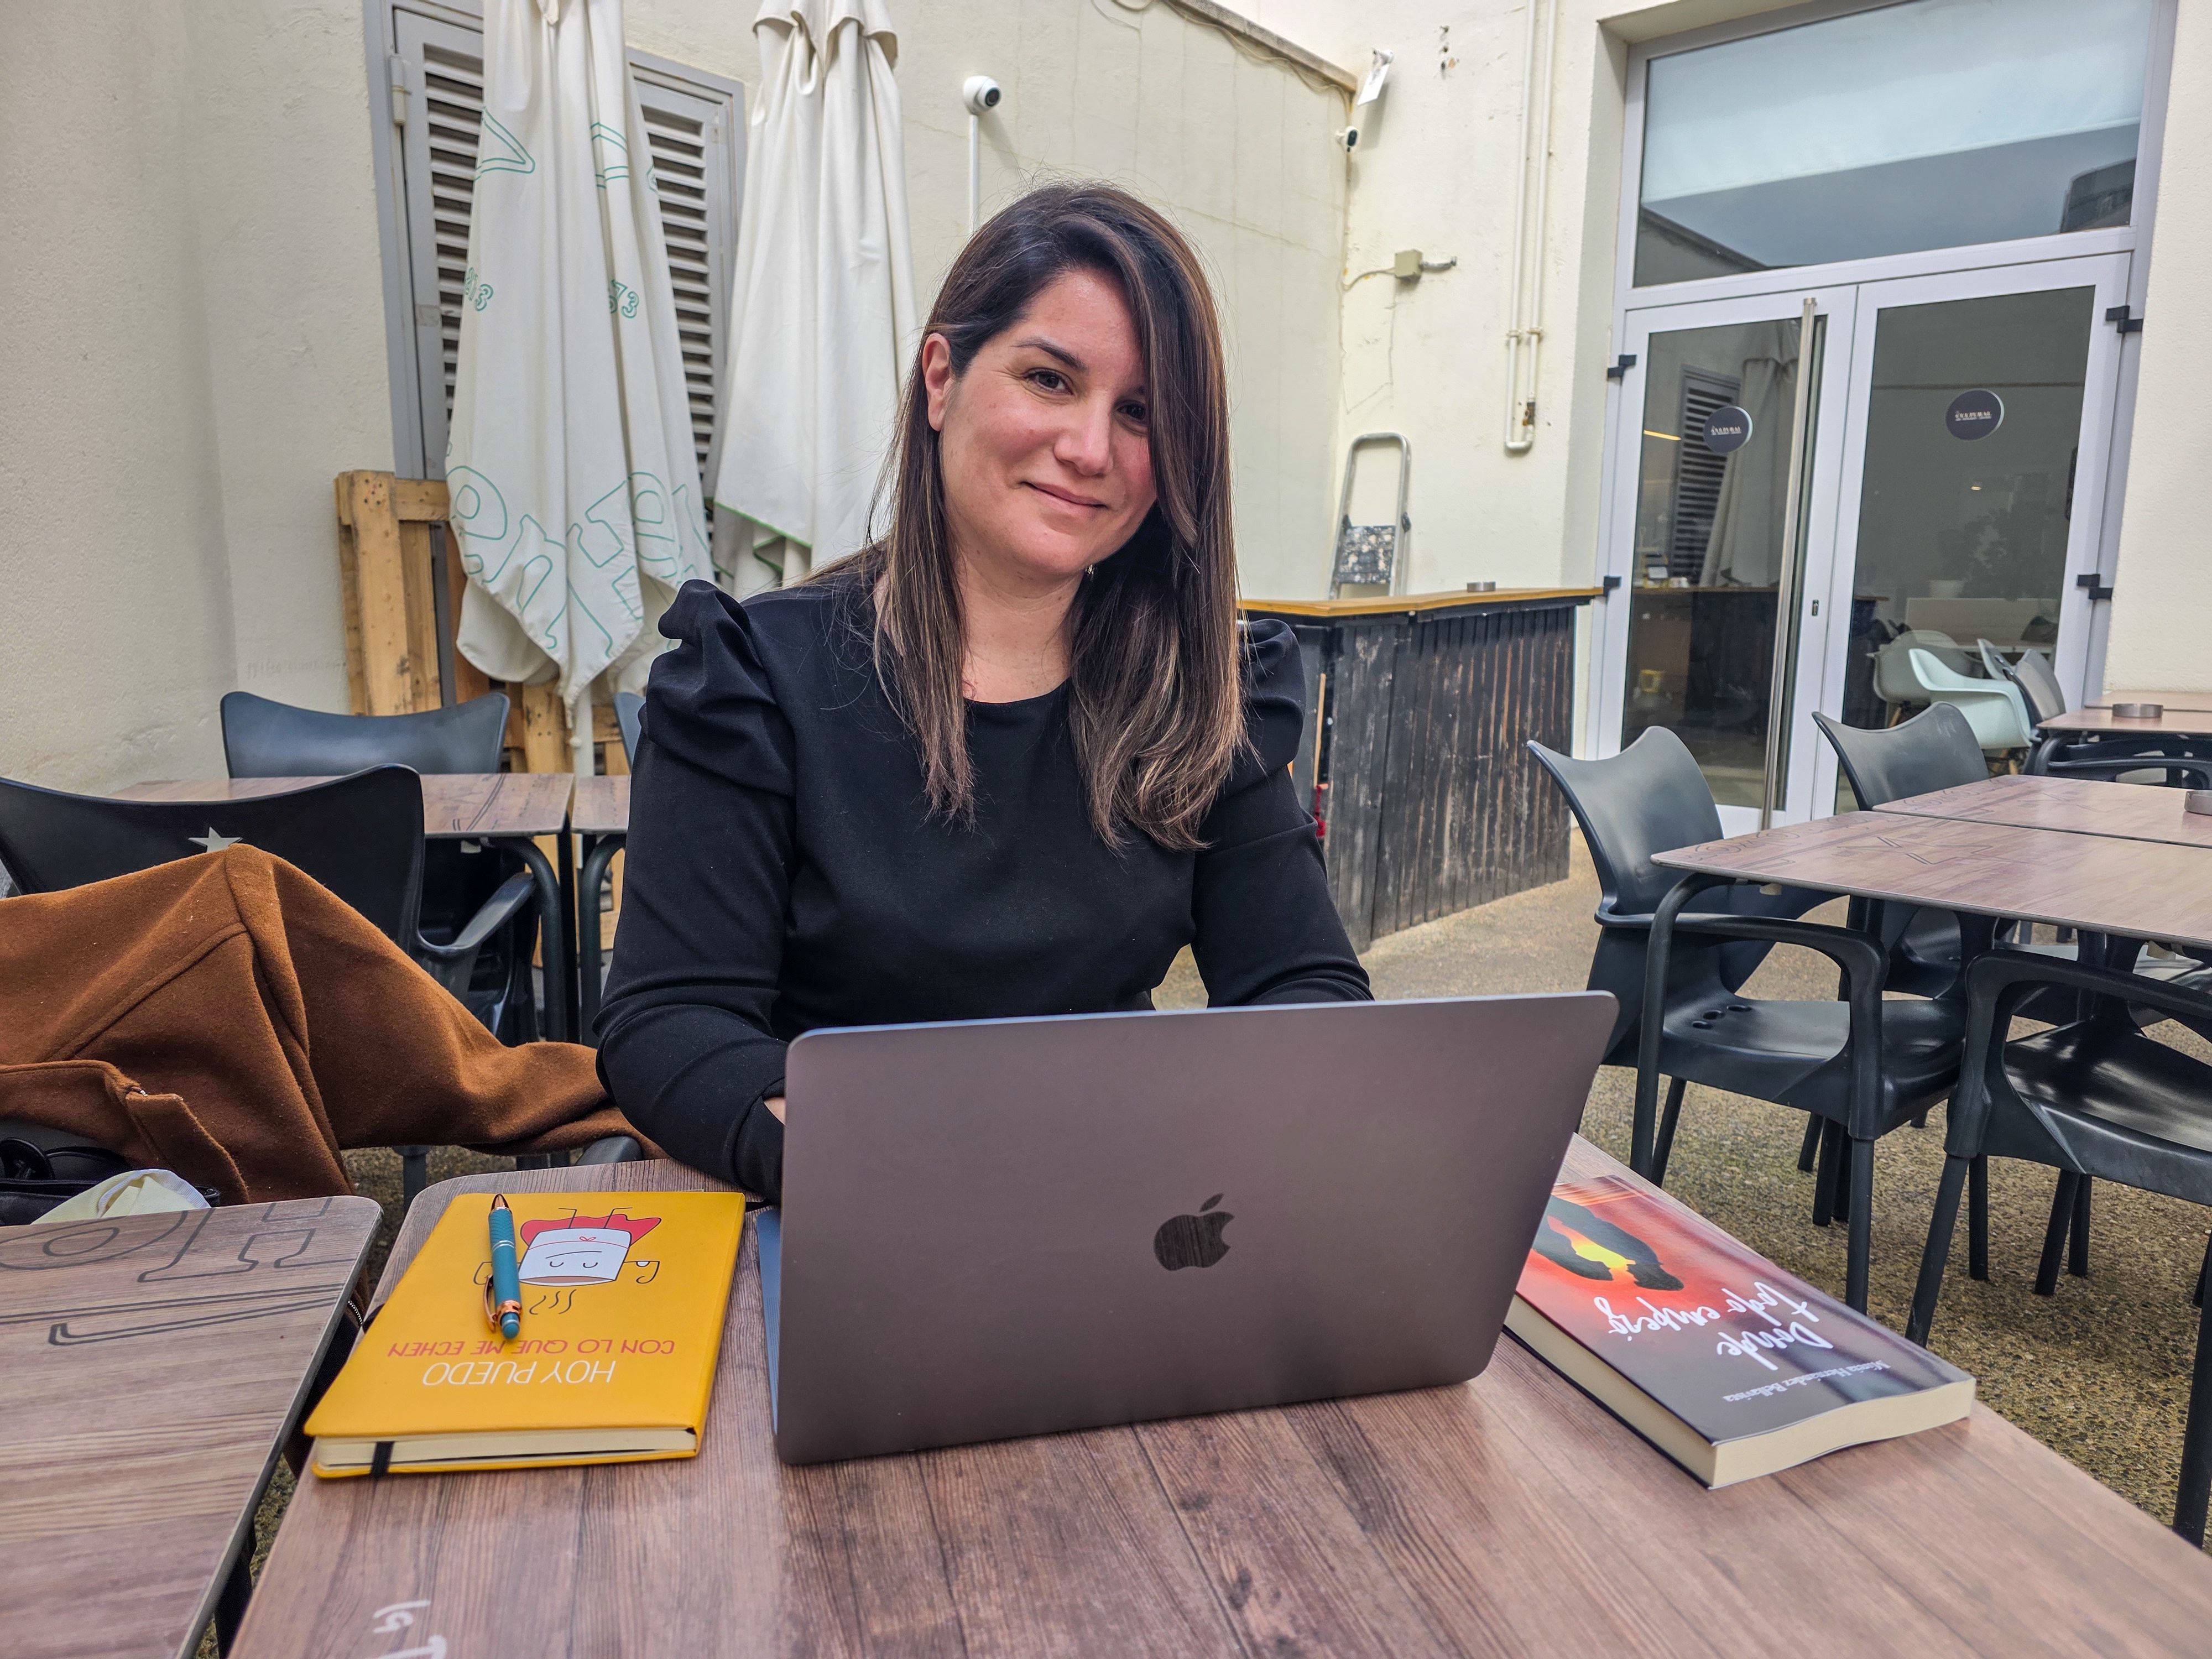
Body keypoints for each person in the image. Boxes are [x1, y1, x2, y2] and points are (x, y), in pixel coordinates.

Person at [598, 182, 1369, 1201]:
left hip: (1116, 1212)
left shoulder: (1204, 696)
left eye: (1140, 412)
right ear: (941, 378)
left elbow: (1301, 986)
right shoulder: (754, 678)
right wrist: (907, 1165)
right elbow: (669, 1022)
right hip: (839, 1205)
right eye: (1051, 380)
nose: (1092, 450)